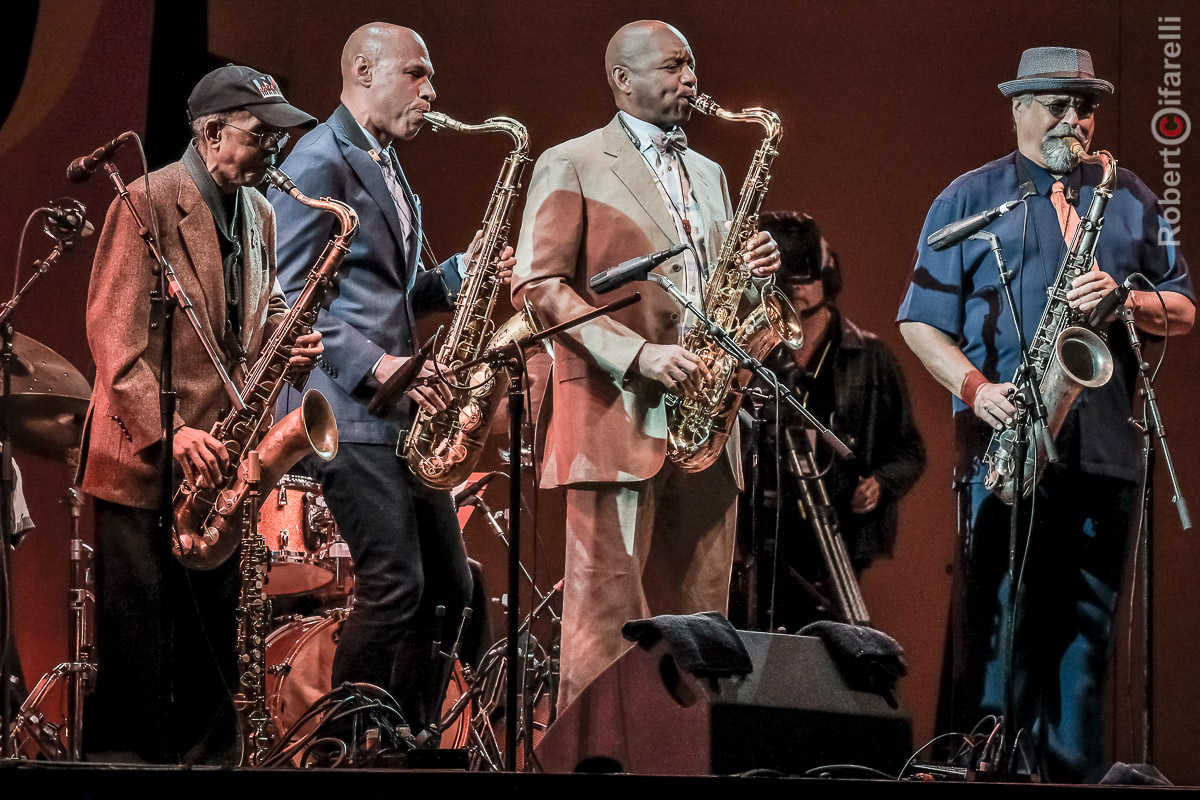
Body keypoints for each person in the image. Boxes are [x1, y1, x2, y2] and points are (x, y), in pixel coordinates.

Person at [897, 47, 1193, 782]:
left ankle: (1071, 775)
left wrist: (1126, 298)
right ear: (1019, 108)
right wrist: (977, 390)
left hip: (1102, 448)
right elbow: (918, 321)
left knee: (1087, 643)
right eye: (1057, 103)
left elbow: (1184, 309)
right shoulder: (971, 196)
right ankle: (991, 770)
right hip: (1007, 441)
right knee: (1000, 634)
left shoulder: (1128, 195)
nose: (1074, 119)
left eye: (1084, 106)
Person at [511, 20, 781, 709]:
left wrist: (755, 277)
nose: (690, 80)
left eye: (691, 65)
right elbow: (537, 287)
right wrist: (636, 354)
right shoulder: (570, 160)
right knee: (604, 628)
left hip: (706, 425)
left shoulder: (712, 173)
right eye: (672, 66)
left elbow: (718, 292)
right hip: (615, 415)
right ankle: (593, 764)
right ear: (621, 79)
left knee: (701, 631)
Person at [271, 22, 514, 734]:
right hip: (345, 410)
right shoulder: (319, 157)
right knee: (394, 586)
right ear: (363, 70)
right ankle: (342, 746)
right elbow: (288, 300)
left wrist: (459, 277)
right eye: (417, 74)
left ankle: (405, 739)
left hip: (399, 410)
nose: (432, 92)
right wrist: (379, 365)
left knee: (453, 587)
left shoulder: (383, 160)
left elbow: (386, 294)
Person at [79, 64, 321, 763]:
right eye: (260, 134)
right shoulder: (145, 202)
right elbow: (114, 344)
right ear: (210, 133)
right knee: (143, 652)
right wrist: (174, 432)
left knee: (212, 647)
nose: (274, 150)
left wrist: (288, 342)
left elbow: (264, 307)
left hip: (220, 460)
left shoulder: (262, 213)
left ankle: (209, 767)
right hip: (144, 462)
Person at [735, 211, 925, 633]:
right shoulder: (752, 352)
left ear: (827, 278)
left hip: (836, 539)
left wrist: (880, 483)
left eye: (803, 281)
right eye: (785, 284)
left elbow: (910, 450)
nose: (795, 292)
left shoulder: (872, 358)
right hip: (756, 538)